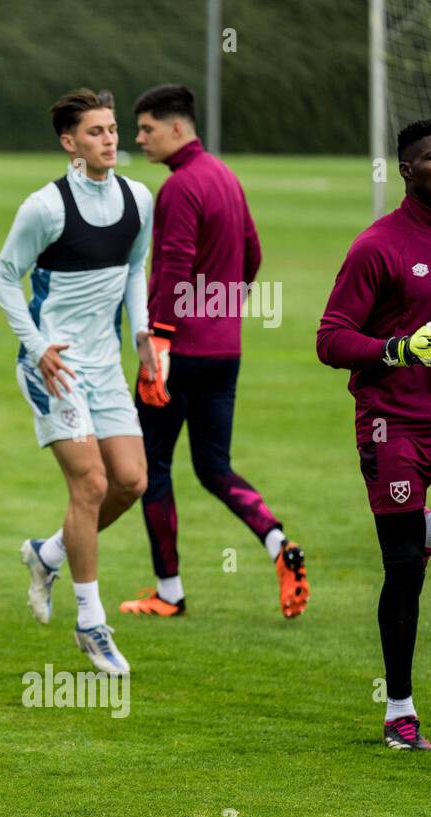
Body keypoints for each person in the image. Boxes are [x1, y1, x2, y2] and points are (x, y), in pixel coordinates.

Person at [123, 83, 308, 620]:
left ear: (177, 128)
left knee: (151, 466)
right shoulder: (225, 176)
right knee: (215, 467)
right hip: (225, 350)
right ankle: (279, 545)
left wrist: (158, 342)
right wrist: (221, 311)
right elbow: (252, 253)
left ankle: (169, 591)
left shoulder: (180, 187)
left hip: (178, 351)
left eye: (147, 129)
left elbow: (174, 264)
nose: (139, 138)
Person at [0, 89, 154, 675]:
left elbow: (135, 269)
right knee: (89, 485)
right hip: (53, 366)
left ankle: (49, 553)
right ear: (69, 143)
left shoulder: (139, 198)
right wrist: (37, 348)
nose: (110, 140)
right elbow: (4, 277)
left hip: (106, 364)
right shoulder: (45, 207)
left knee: (131, 481)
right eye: (96, 132)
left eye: (113, 129)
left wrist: (143, 337)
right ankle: (91, 622)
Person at [317, 118, 431, 750]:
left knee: (416, 547)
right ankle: (399, 711)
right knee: (406, 568)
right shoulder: (378, 246)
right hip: (394, 428)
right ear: (407, 170)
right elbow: (330, 339)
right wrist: (398, 348)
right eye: (430, 158)